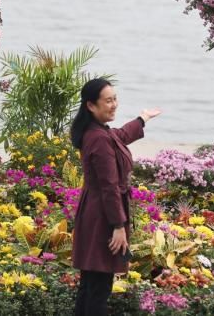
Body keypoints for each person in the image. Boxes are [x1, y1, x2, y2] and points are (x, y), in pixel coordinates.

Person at [70, 78, 161, 316]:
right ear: (91, 105)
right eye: (108, 101)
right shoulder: (98, 138)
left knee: (90, 285)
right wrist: (118, 226)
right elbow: (110, 187)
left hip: (95, 212)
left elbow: (120, 136)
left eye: (115, 99)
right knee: (99, 289)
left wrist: (143, 119)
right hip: (103, 217)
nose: (114, 105)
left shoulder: (98, 132)